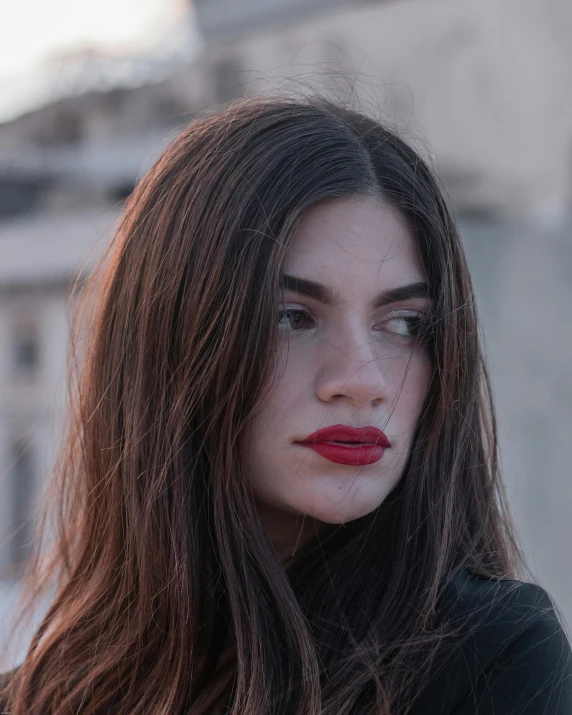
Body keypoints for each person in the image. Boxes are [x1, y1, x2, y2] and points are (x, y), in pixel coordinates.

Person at [1, 96, 570, 714]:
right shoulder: (37, 696)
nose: (362, 379)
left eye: (404, 324)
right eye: (292, 317)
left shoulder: (490, 658)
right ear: (172, 341)